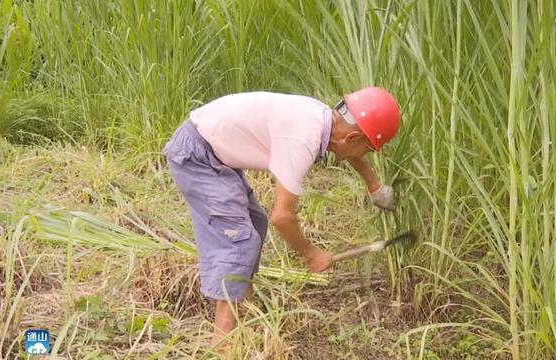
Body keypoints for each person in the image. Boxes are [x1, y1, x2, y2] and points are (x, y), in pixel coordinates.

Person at [162, 87, 400, 348]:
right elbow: (283, 217)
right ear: (352, 137)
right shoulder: (301, 140)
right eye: (367, 149)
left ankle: (245, 312)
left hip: (214, 150)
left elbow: (348, 149)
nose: (364, 156)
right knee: (238, 241)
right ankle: (223, 344)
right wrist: (311, 254)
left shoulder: (323, 118)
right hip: (197, 156)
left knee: (255, 224)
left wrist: (374, 185)